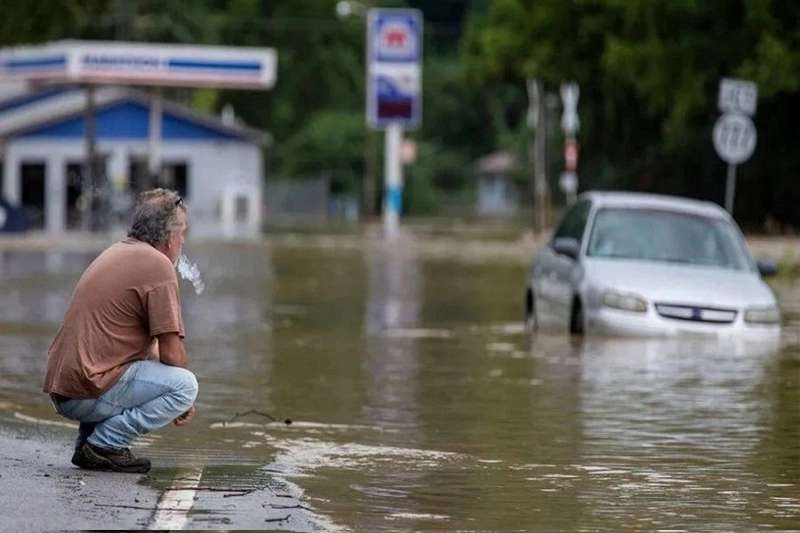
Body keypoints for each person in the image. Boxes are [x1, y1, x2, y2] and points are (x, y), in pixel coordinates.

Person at [43, 188, 198, 473]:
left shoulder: (119, 251)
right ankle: (105, 443)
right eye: (182, 232)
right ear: (168, 236)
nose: (183, 241)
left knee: (137, 362)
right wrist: (185, 403)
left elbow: (150, 350)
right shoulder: (159, 266)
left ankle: (88, 443)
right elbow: (173, 354)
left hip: (65, 389)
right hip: (84, 392)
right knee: (185, 386)